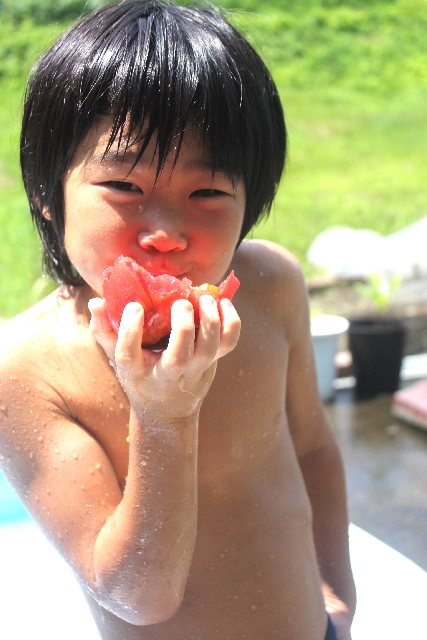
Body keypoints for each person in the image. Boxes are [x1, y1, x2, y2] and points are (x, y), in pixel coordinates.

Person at [0, 1, 356, 638]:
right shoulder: (28, 369)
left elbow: (314, 451)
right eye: (125, 188)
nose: (164, 232)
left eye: (208, 193)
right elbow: (137, 596)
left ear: (252, 201)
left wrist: (336, 590)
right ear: (48, 196)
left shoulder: (271, 288)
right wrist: (163, 416)